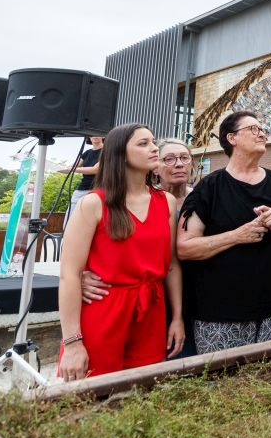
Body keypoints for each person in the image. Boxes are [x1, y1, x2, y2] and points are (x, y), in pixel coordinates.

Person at [57, 124, 184, 381]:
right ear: (120, 154)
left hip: (151, 312)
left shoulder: (166, 202)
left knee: (141, 398)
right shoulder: (93, 204)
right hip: (104, 309)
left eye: (153, 142)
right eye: (143, 143)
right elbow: (69, 274)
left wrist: (177, 318)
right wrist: (71, 343)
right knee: (92, 397)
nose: (153, 148)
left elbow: (171, 265)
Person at [177, 111, 271, 353]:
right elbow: (184, 247)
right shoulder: (209, 188)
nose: (261, 133)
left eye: (262, 129)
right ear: (232, 138)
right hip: (221, 312)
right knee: (224, 384)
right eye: (253, 128)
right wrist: (237, 235)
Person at [80, 137, 198, 358]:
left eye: (184, 158)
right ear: (156, 166)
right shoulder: (118, 201)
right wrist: (82, 275)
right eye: (170, 159)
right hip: (147, 296)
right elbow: (90, 249)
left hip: (193, 293)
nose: (179, 164)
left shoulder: (205, 197)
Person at [63, 135, 104, 226]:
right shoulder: (87, 153)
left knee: (92, 220)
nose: (95, 136)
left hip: (98, 189)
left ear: (103, 136)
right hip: (82, 189)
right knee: (68, 221)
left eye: (97, 133)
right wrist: (67, 167)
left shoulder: (107, 151)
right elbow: (75, 165)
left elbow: (95, 170)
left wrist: (73, 169)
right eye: (92, 134)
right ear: (88, 137)